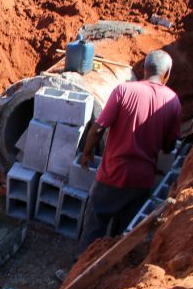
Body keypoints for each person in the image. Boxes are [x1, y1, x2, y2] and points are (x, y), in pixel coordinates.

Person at [77, 49, 182, 249]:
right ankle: (112, 274)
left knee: (95, 224)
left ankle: (80, 267)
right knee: (124, 234)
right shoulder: (173, 101)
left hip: (113, 173)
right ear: (167, 74)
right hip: (142, 179)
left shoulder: (124, 91)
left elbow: (99, 128)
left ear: (144, 68)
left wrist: (87, 152)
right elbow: (169, 146)